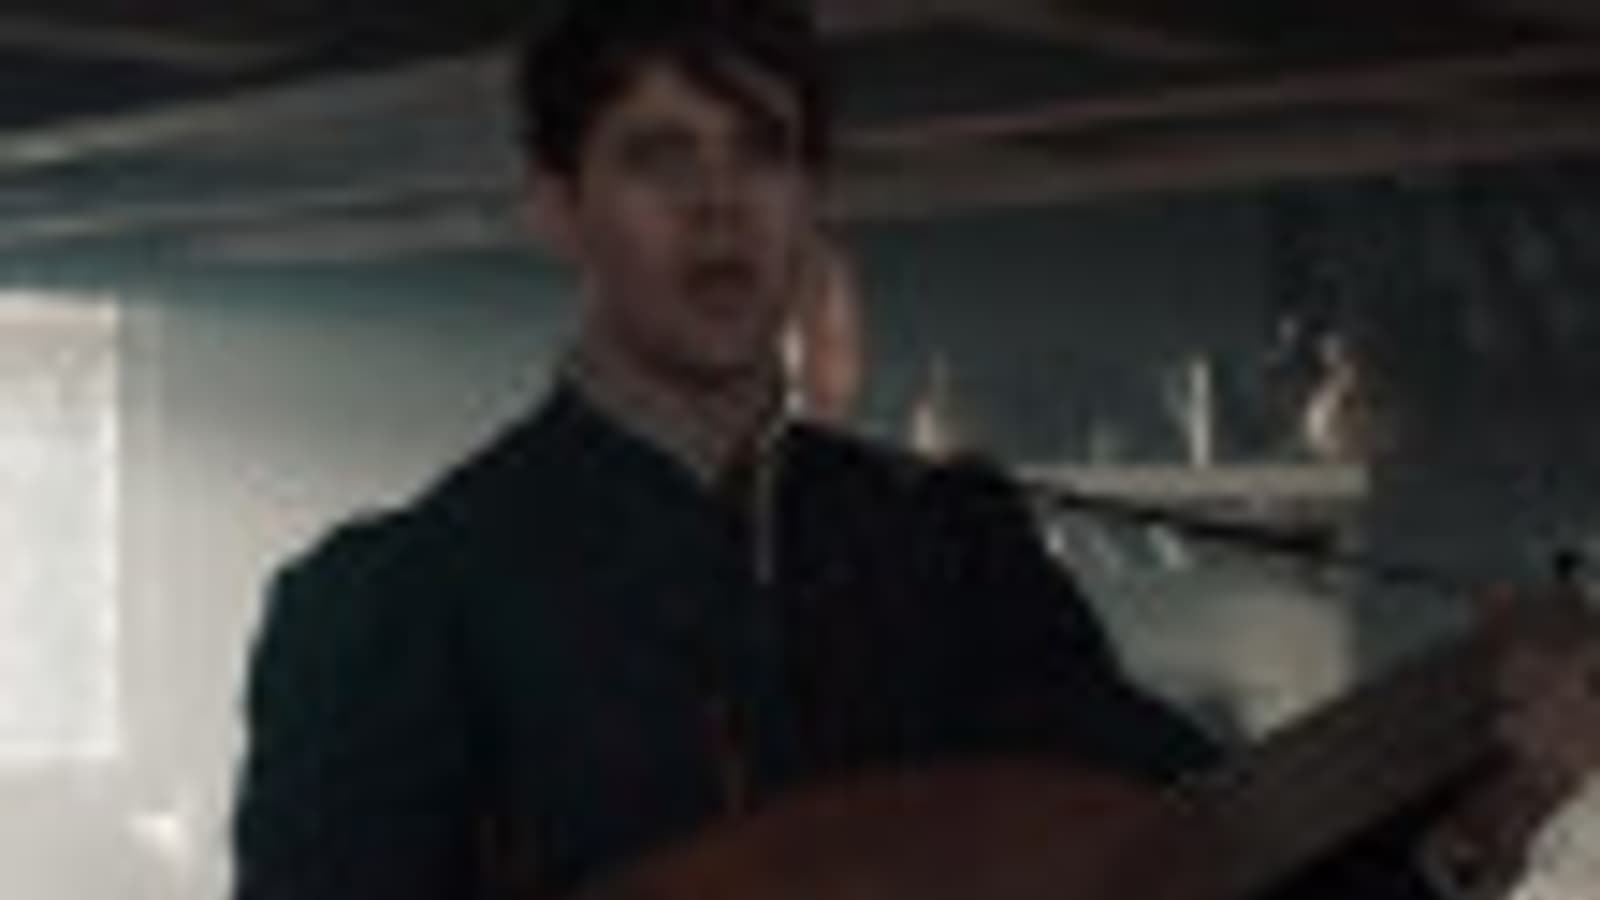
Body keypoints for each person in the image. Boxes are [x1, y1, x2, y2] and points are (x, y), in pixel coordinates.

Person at [230, 3, 1600, 899]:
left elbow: (1181, 860)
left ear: (811, 197)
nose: (720, 207)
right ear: (559, 210)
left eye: (762, 153)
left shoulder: (952, 545)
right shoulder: (396, 601)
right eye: (658, 157)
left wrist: (1486, 819)